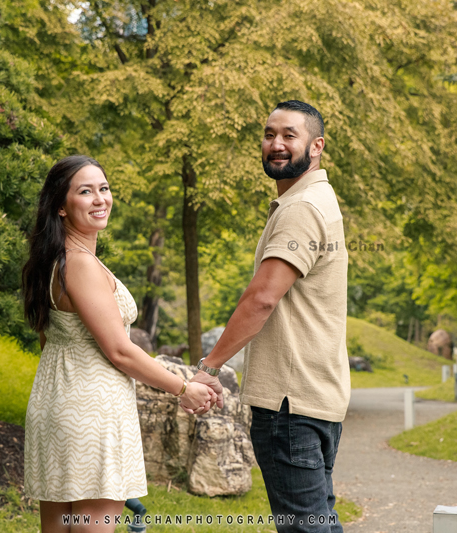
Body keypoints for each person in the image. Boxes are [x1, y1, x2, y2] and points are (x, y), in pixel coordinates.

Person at [22, 155, 217, 533]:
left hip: (57, 405)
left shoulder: (52, 261)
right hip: (91, 415)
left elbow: (52, 342)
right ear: (61, 207)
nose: (100, 199)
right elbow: (119, 350)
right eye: (85, 191)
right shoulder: (80, 264)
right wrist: (182, 388)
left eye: (104, 188)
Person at [188, 101, 350, 532]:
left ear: (316, 146)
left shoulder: (300, 209)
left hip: (290, 402)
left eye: (289, 136)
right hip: (314, 396)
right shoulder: (316, 198)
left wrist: (209, 367)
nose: (276, 144)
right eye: (269, 134)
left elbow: (262, 299)